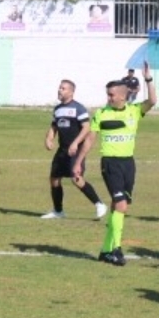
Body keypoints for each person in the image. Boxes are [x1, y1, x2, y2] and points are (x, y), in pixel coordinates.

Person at [75, 61, 157, 266]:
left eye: (111, 95)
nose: (108, 98)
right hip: (110, 164)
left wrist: (148, 79)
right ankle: (117, 250)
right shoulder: (102, 114)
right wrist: (79, 161)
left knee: (118, 207)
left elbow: (153, 100)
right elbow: (91, 139)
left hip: (128, 164)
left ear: (123, 95)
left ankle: (105, 250)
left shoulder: (135, 111)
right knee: (121, 205)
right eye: (107, 94)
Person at [40, 79, 107, 221]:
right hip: (62, 150)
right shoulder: (57, 109)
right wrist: (49, 138)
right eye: (59, 88)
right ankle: (58, 211)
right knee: (54, 179)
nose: (60, 90)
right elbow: (54, 126)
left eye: (63, 88)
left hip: (75, 151)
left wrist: (76, 143)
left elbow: (86, 128)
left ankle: (99, 204)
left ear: (71, 92)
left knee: (76, 179)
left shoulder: (79, 108)